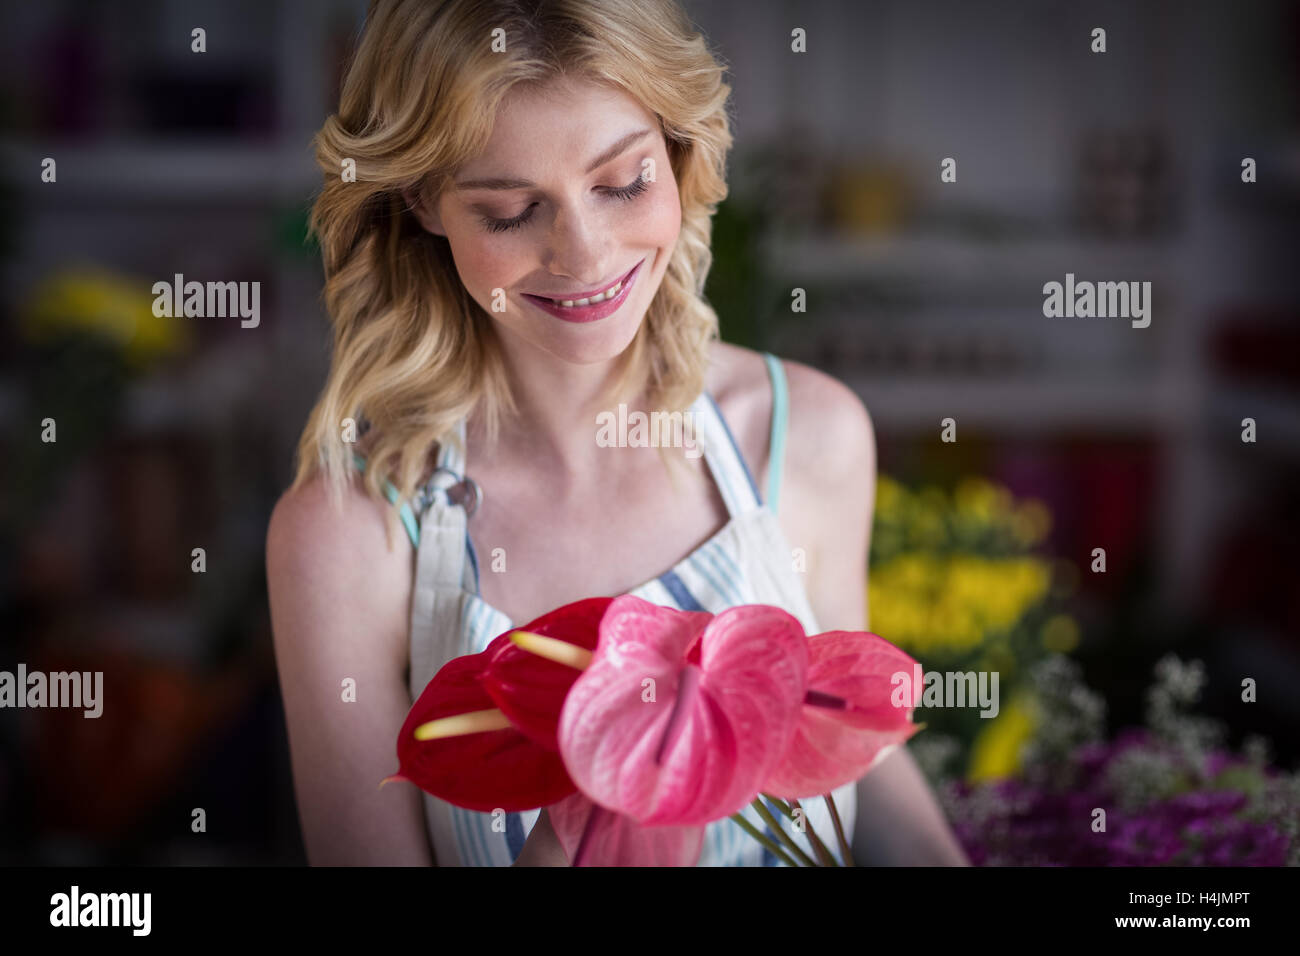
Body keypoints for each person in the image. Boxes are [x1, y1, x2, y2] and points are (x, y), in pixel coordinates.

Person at [266, 0, 969, 867]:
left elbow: (845, 746)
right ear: (423, 202)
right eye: (511, 210)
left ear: (678, 154)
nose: (586, 256)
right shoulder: (348, 531)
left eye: (623, 182)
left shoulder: (807, 435)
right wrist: (599, 803)